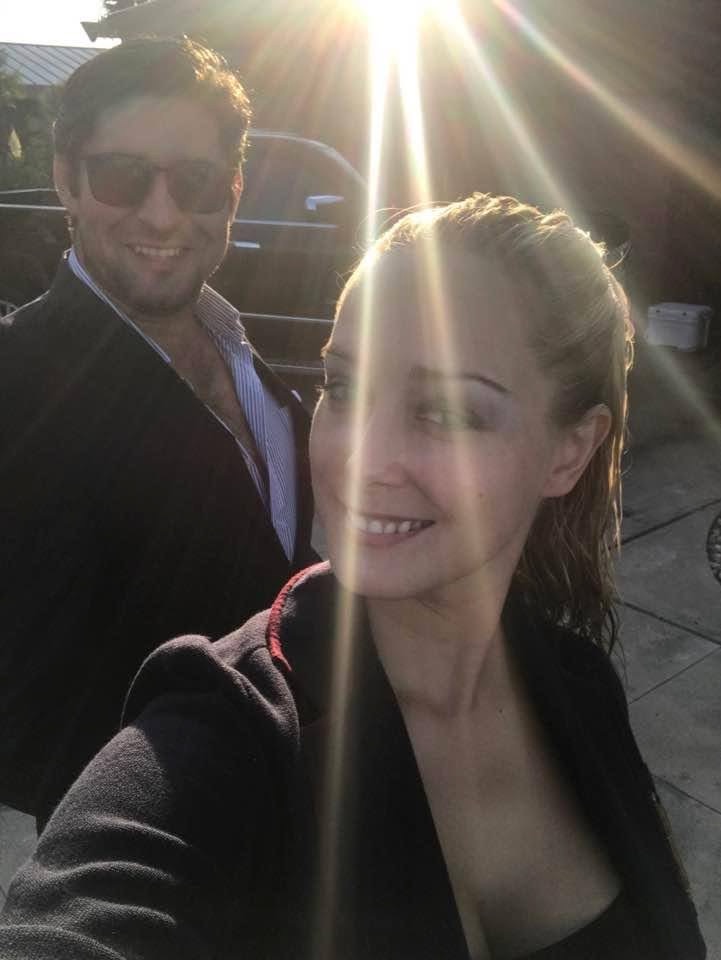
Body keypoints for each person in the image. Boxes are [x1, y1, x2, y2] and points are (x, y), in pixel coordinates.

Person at [0, 194, 705, 959]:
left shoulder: (579, 686)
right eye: (341, 387)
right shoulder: (224, 731)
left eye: (446, 410)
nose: (362, 458)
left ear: (569, 452)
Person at [0, 38, 315, 829]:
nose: (162, 213)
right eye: (122, 175)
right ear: (66, 180)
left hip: (300, 812)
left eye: (195, 181)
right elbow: (26, 720)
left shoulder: (241, 353)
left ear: (232, 192)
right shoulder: (17, 382)